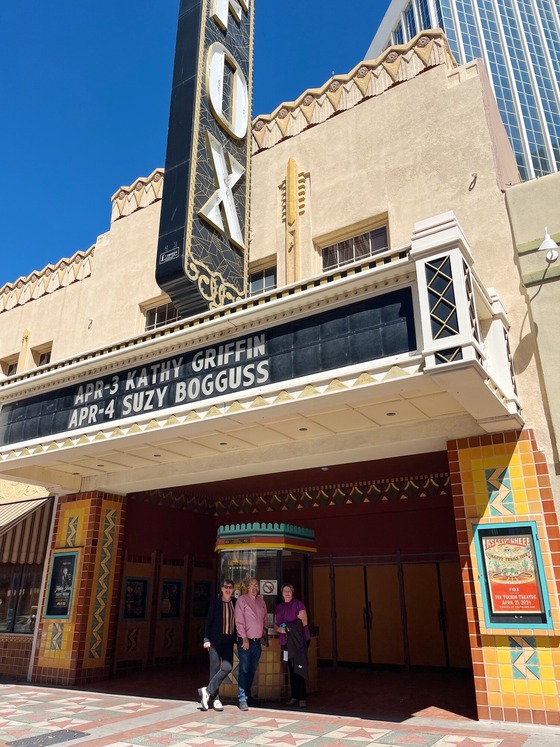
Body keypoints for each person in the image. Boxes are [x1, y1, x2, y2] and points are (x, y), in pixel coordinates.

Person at [198, 579, 236, 712]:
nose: (228, 589)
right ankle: (216, 699)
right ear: (221, 589)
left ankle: (206, 691)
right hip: (214, 641)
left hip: (228, 641)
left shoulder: (235, 603)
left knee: (227, 667)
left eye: (230, 587)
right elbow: (208, 621)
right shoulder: (215, 603)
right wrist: (206, 639)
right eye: (226, 587)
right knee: (214, 669)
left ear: (233, 590)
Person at [234, 577, 267, 711]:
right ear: (247, 587)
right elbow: (239, 621)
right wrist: (245, 638)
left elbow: (264, 619)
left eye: (256, 585)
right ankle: (242, 698)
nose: (255, 587)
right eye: (252, 585)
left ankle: (248, 695)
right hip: (245, 641)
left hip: (257, 642)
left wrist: (264, 635)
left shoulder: (261, 601)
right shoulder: (242, 600)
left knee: (252, 670)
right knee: (244, 669)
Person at [275, 583, 310, 708]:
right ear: (282, 593)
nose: (287, 593)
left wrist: (289, 628)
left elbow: (304, 622)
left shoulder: (298, 604)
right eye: (285, 591)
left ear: (292, 592)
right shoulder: (279, 607)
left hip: (298, 642)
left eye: (289, 591)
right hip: (286, 642)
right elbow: (276, 625)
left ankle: (302, 697)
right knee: (291, 669)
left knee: (299, 668)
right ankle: (294, 696)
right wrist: (280, 630)